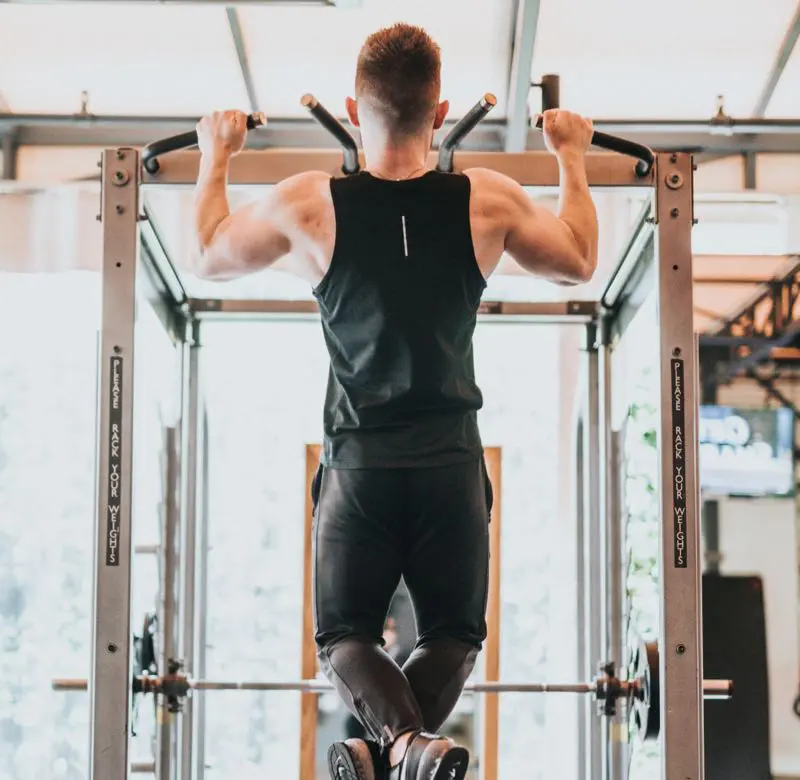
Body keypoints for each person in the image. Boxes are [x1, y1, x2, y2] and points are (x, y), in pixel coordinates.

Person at [191, 22, 597, 780]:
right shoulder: (488, 199)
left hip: (359, 465)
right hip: (451, 464)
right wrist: (570, 155)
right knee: (453, 636)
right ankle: (402, 751)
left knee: (344, 636)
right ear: (440, 114)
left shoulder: (310, 203)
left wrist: (218, 153)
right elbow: (577, 259)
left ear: (353, 111)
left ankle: (391, 749)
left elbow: (209, 252)